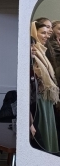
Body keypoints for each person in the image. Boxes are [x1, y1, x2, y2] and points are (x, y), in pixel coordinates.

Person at [30, 22, 59, 154]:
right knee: (43, 131)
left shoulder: (42, 50)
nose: (46, 36)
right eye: (42, 33)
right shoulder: (32, 51)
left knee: (49, 130)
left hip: (46, 98)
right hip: (39, 98)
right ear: (34, 33)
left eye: (47, 33)